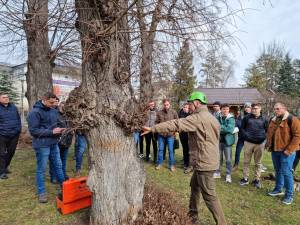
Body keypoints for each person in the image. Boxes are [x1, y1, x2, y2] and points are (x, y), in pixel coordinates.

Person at [142, 91, 227, 225]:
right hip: (207, 160)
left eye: (190, 104)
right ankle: (193, 215)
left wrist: (154, 128)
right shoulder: (212, 118)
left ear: (196, 103)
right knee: (194, 186)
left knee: (210, 196)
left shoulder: (197, 118)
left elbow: (176, 124)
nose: (189, 107)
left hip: (204, 162)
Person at [27, 92, 66, 203]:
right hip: (42, 145)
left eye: (55, 102)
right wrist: (52, 132)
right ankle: (42, 193)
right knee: (41, 169)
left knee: (58, 166)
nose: (54, 104)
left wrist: (61, 129)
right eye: (51, 102)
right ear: (44, 99)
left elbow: (57, 125)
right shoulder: (34, 113)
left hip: (54, 143)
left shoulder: (54, 111)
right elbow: (34, 131)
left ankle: (64, 188)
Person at [266, 102, 300, 205]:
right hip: (275, 150)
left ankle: (289, 195)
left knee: (287, 172)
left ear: (284, 108)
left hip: (287, 152)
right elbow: (270, 133)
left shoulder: (292, 119)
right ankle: (278, 189)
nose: (276, 111)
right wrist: (268, 144)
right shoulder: (273, 120)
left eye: (278, 109)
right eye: (275, 109)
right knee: (278, 171)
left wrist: (289, 150)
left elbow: (297, 136)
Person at [239, 103, 268, 189]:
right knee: (246, 162)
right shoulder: (246, 118)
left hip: (260, 144)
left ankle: (256, 179)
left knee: (258, 163)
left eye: (256, 108)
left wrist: (263, 139)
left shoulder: (265, 119)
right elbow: (242, 129)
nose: (254, 110)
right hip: (248, 143)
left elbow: (267, 130)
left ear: (260, 109)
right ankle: (245, 178)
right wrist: (246, 136)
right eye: (253, 108)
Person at [49, 101, 73, 182]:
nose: (64, 108)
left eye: (65, 106)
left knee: (63, 159)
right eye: (63, 106)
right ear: (60, 107)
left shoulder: (68, 116)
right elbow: (54, 127)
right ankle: (53, 177)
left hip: (67, 141)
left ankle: (63, 174)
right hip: (58, 140)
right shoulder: (55, 115)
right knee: (55, 160)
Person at [0, 93, 21, 179]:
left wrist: (18, 129)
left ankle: (5, 166)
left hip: (14, 134)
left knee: (11, 152)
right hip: (2, 135)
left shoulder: (13, 107)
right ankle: (1, 172)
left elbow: (18, 119)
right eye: (4, 97)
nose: (6, 99)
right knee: (1, 153)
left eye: (7, 97)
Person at [214, 103, 235, 183]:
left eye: (227, 109)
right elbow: (215, 126)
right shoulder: (218, 116)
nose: (225, 110)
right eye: (224, 109)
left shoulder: (231, 118)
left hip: (227, 142)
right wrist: (223, 127)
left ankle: (228, 175)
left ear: (228, 110)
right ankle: (217, 172)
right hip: (219, 140)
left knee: (228, 159)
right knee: (218, 158)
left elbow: (229, 129)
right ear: (221, 109)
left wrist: (220, 127)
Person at [155, 99, 178, 171]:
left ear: (169, 104)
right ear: (163, 105)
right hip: (161, 135)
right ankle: (159, 164)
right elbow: (156, 122)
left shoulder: (173, 112)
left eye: (167, 104)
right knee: (161, 150)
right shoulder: (159, 113)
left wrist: (175, 131)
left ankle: (171, 165)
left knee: (171, 150)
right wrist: (158, 130)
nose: (166, 106)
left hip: (170, 135)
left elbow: (177, 122)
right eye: (165, 105)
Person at [232, 102, 252, 171]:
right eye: (246, 107)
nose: (247, 108)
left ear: (250, 108)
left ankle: (246, 167)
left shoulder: (252, 116)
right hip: (241, 138)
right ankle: (236, 165)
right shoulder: (241, 116)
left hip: (249, 139)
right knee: (237, 152)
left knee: (247, 154)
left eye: (248, 107)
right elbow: (238, 123)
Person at [178, 103, 192, 173]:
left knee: (189, 150)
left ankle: (189, 165)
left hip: (189, 135)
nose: (185, 108)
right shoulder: (180, 113)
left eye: (186, 107)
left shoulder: (191, 115)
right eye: (184, 107)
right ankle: (185, 163)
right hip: (182, 134)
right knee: (184, 149)